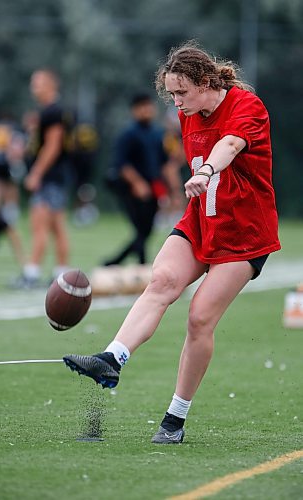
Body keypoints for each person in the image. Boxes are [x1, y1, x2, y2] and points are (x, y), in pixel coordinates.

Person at [64, 41, 281, 444]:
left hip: (245, 233)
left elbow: (229, 144)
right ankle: (112, 358)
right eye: (171, 93)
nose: (176, 101)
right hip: (201, 221)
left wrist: (209, 169)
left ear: (203, 82)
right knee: (161, 280)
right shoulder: (187, 113)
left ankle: (175, 420)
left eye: (181, 92)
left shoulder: (247, 106)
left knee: (199, 317)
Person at [103, 93, 181, 266]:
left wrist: (173, 190)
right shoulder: (128, 134)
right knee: (140, 229)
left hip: (152, 189)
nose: (147, 110)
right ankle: (141, 265)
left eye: (149, 106)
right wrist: (137, 183)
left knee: (145, 231)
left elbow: (165, 164)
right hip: (131, 190)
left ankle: (114, 262)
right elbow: (121, 164)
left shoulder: (158, 134)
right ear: (135, 110)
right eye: (142, 107)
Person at [15, 69, 70, 287]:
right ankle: (60, 272)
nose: (33, 88)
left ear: (51, 85)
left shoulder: (53, 111)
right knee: (56, 226)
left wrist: (36, 173)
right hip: (56, 177)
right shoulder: (48, 112)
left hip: (50, 177)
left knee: (39, 224)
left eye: (37, 83)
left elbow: (53, 146)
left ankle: (32, 273)